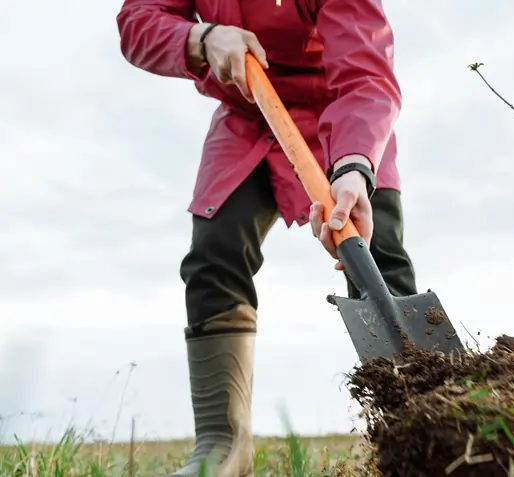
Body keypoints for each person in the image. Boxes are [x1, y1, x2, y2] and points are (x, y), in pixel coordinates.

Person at [116, 1, 415, 475]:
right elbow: (137, 21)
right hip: (248, 115)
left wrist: (355, 165)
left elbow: (364, 74)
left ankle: (416, 433)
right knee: (215, 254)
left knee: (377, 261)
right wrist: (202, 37)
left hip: (340, 119)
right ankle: (223, 447)